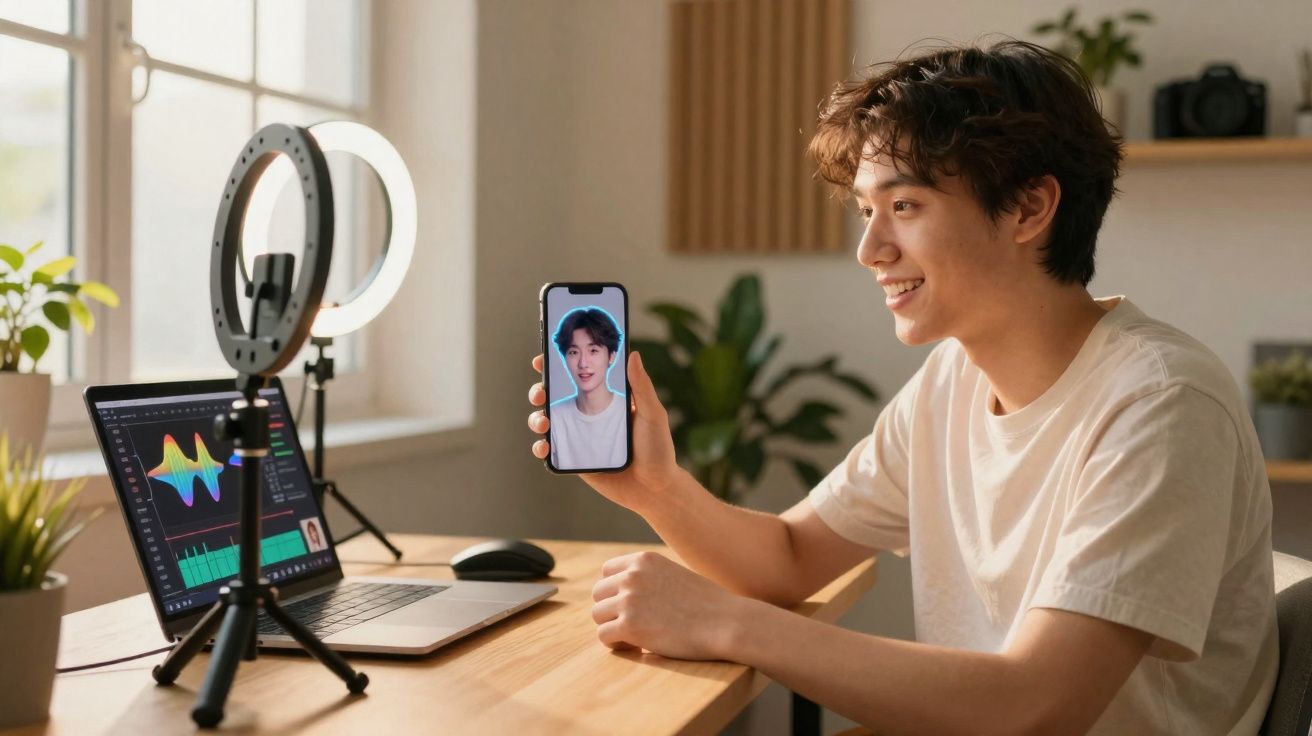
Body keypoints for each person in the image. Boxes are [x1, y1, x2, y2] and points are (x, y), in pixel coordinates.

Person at [526, 40, 1276, 734]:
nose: (870, 249)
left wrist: (726, 622)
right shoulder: (953, 377)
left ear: (1029, 207)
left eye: (904, 207)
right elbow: (789, 557)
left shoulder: (1162, 403)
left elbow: (1037, 706)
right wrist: (655, 486)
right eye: (865, 212)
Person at [548, 307, 627, 470]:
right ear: (565, 358)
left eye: (593, 350)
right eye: (573, 352)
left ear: (612, 355)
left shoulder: (629, 412)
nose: (583, 363)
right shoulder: (554, 417)